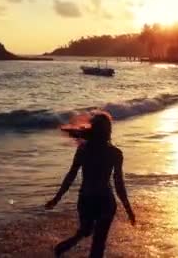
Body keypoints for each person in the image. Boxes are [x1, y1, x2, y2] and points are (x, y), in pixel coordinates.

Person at [45, 111, 136, 258]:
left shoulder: (83, 150)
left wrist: (57, 198)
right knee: (98, 244)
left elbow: (71, 176)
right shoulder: (115, 153)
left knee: (85, 231)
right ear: (109, 131)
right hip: (105, 201)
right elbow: (118, 184)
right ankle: (64, 247)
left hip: (86, 199)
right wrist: (128, 209)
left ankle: (64, 247)